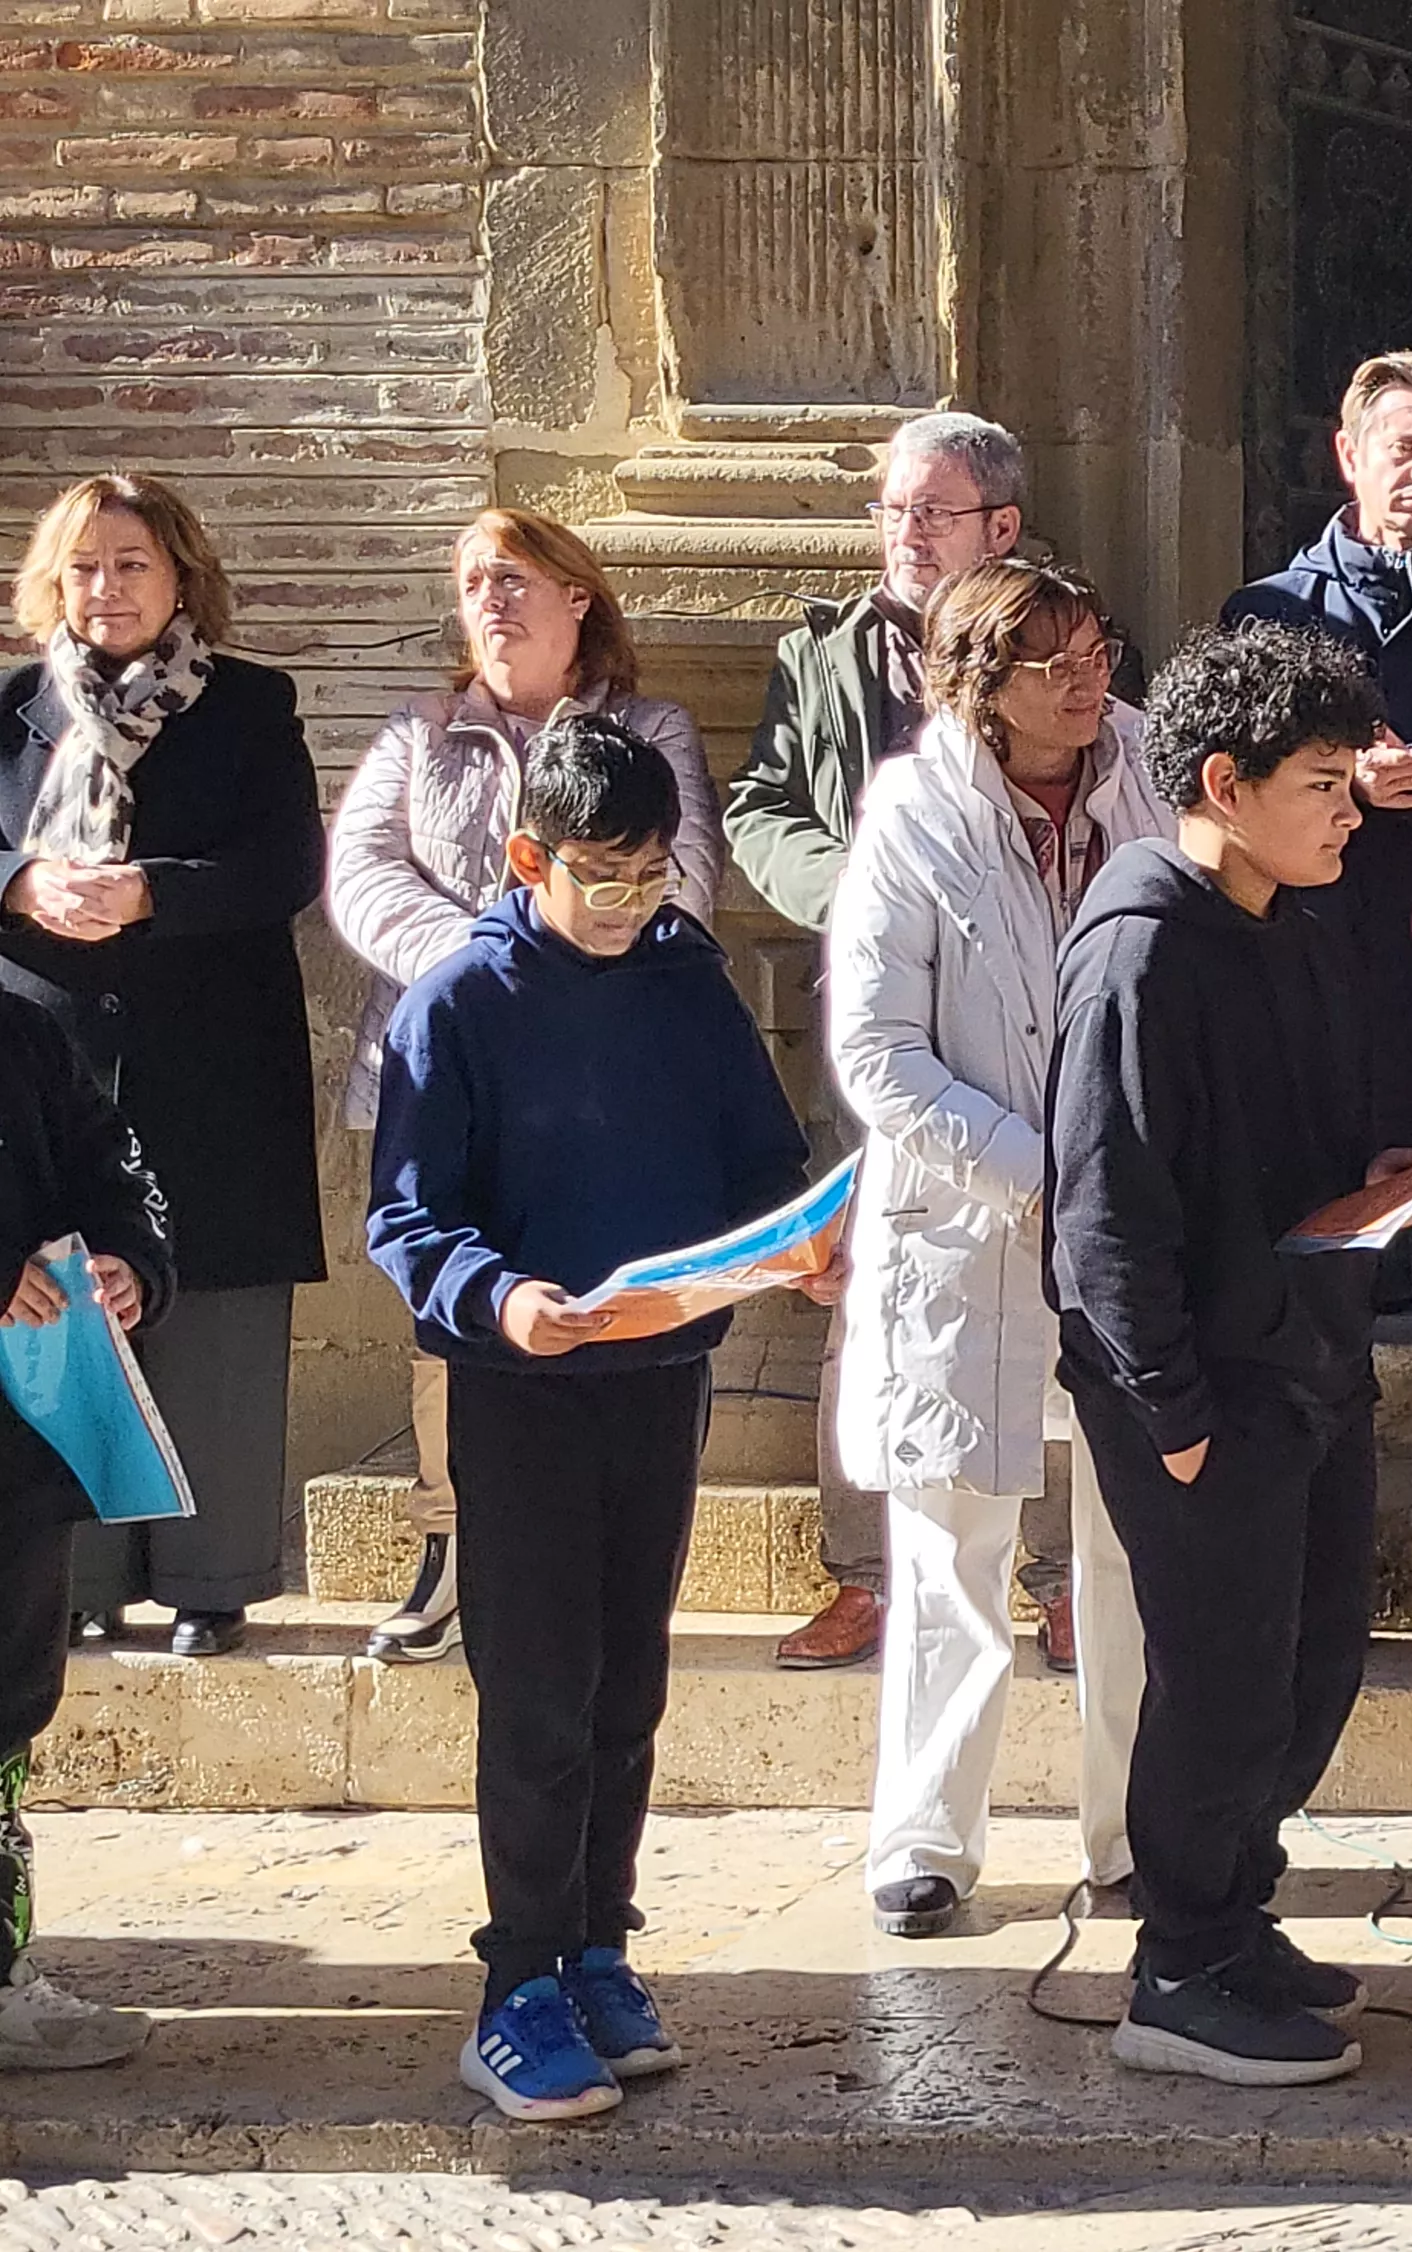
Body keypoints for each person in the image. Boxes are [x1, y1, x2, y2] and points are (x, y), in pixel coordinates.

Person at [364, 712, 821, 2125]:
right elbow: (408, 1213)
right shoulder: (460, 1002)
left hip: (658, 1380)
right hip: (521, 1397)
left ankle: (599, 1947)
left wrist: (800, 1245)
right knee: (540, 1688)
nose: (629, 904)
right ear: (524, 859)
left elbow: (764, 1161)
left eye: (652, 874)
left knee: (629, 1681)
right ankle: (516, 1984)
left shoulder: (689, 985)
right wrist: (498, 1299)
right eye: (598, 877)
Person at [1048, 622, 1391, 2086]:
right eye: (1322, 780)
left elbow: (1296, 1159)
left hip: (1301, 1366)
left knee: (1311, 1668)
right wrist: (1172, 1412)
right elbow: (1104, 1209)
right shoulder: (1138, 955)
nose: (1350, 809)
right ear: (1221, 782)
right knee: (1223, 1678)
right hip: (1199, 1393)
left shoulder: (1284, 924)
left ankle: (1233, 1913)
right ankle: (1178, 1967)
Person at [828, 560, 1173, 1940]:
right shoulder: (915, 813)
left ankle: (1134, 1833)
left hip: (1135, 1220)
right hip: (971, 1225)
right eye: (1052, 662)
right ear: (980, 684)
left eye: (1097, 649)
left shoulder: (1152, 770)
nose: (1087, 680)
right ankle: (926, 1842)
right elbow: (877, 1053)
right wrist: (1045, 1173)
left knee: (1133, 1542)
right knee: (953, 1548)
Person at [328, 508, 718, 1667]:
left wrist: (555, 965)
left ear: (577, 597)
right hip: (449, 1059)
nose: (491, 600)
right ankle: (448, 1550)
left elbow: (686, 874)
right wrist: (491, 967)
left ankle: (589, 1554)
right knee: (451, 1308)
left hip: (607, 1078)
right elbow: (358, 874)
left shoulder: (649, 727)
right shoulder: (422, 730)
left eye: (515, 578)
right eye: (473, 582)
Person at [732, 411, 1089, 1675]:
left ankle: (1055, 1575)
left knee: (1055, 1290)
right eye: (891, 509)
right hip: (883, 1011)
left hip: (1026, 1011)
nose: (903, 532)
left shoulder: (1063, 644)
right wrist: (863, 891)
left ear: (1001, 525)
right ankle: (867, 1573)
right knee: (862, 1283)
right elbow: (762, 804)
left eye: (929, 512)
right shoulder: (821, 654)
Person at [1, 475, 321, 1657]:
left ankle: (211, 1575)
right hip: (52, 1058)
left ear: (182, 574)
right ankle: (74, 1575)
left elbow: (285, 864)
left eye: (133, 563)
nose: (108, 587)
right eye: (85, 565)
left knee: (217, 1312)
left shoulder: (248, 707)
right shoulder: (12, 710)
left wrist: (149, 892)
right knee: (62, 1305)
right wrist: (21, 882)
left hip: (211, 1053)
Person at [1223, 349, 1412, 1679]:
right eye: (1404, 446)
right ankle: (1291, 1564)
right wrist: (1344, 772)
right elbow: (1218, 788)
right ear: (1348, 453)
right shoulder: (1270, 610)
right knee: (1311, 1290)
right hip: (1313, 1008)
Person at [0, 977, 173, 2072]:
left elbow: (118, 1173)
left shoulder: (22, 1034)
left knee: (6, 1700)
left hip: (16, 1449)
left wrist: (129, 1267)